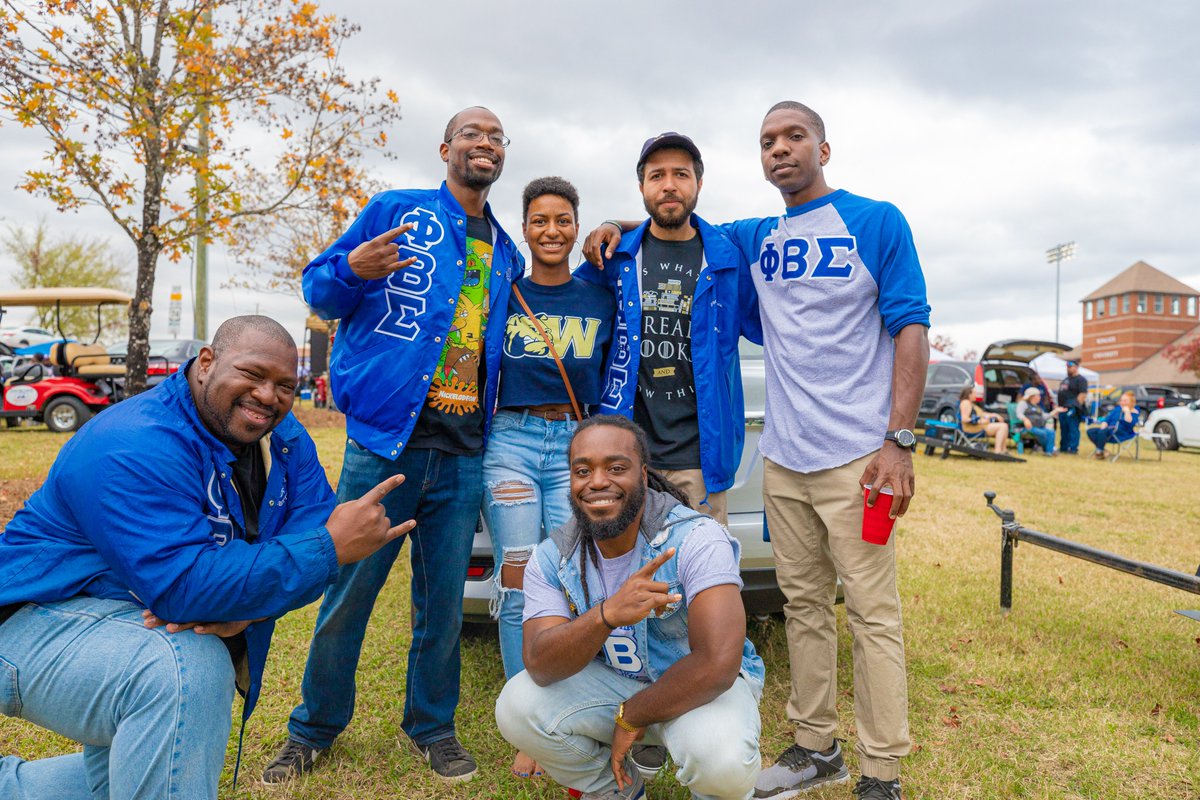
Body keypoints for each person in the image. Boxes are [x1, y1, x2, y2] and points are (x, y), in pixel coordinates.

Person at [586, 100, 929, 800]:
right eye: (768, 140)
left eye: (794, 136)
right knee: (802, 607)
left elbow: (912, 328)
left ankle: (881, 771)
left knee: (871, 612)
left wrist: (898, 441)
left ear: (823, 150)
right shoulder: (754, 236)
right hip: (783, 457)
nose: (780, 149)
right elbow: (673, 227)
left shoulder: (876, 221)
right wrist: (619, 226)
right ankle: (814, 747)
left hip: (858, 458)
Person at [0, 316, 413, 799]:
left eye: (285, 385)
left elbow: (311, 526)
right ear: (206, 362)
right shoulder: (132, 442)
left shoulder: (280, 435)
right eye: (252, 374)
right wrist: (327, 550)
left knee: (136, 773)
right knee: (183, 673)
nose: (267, 395)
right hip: (29, 619)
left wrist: (251, 605)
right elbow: (184, 588)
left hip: (126, 616)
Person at [266, 106, 525, 783]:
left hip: (464, 452)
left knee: (440, 605)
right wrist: (351, 266)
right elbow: (320, 291)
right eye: (473, 133)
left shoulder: (506, 250)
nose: (485, 144)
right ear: (446, 148)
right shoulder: (396, 211)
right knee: (348, 590)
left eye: (497, 137)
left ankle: (432, 725)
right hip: (385, 445)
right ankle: (312, 729)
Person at [495, 415, 764, 800]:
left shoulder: (696, 538)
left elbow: (719, 663)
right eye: (582, 470)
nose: (598, 481)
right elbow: (539, 662)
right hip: (614, 684)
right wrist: (606, 615)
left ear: (643, 474)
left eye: (616, 468)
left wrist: (632, 715)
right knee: (517, 705)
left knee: (722, 762)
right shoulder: (553, 556)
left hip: (697, 691)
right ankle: (616, 791)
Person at [483, 176, 616, 779]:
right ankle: (526, 715)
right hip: (510, 442)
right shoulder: (503, 293)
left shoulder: (600, 295)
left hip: (573, 446)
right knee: (517, 573)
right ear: (525, 227)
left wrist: (620, 230)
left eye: (563, 220)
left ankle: (571, 703)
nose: (552, 231)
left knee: (568, 579)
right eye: (539, 220)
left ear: (576, 224)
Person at [576, 132, 755, 526]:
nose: (669, 185)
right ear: (641, 186)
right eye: (657, 176)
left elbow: (775, 328)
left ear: (699, 184)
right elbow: (567, 317)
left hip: (699, 464)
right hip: (623, 459)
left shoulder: (728, 261)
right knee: (622, 579)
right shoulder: (613, 259)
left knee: (703, 578)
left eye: (681, 174)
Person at [1086, 389, 1140, 458]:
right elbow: (1108, 418)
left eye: (1125, 401)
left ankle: (1099, 452)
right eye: (1121, 400)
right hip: (1109, 430)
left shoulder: (1134, 411)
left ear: (1132, 402)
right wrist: (1105, 423)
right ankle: (1102, 450)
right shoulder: (1117, 409)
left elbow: (1129, 424)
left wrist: (1127, 412)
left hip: (1122, 433)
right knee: (1090, 431)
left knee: (1102, 432)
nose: (1122, 402)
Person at [959, 385, 1010, 454]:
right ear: (969, 394)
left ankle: (1003, 449)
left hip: (980, 426)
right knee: (1002, 426)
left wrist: (995, 415)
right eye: (974, 393)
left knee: (1004, 425)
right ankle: (997, 451)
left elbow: (983, 414)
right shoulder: (966, 403)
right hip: (972, 428)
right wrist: (980, 421)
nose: (976, 395)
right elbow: (964, 419)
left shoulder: (972, 404)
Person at [1015, 386, 1063, 456]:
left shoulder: (1038, 407)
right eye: (1038, 395)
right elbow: (1019, 414)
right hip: (1027, 428)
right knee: (1042, 433)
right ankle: (1049, 449)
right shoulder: (1023, 404)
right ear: (1032, 396)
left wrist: (1056, 411)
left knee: (1051, 432)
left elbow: (1044, 417)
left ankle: (1048, 452)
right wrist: (1025, 419)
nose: (1040, 397)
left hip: (1039, 427)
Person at [1056, 360, 1089, 454]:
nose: (1068, 368)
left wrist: (1075, 407)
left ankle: (1073, 448)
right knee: (1063, 429)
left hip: (1072, 409)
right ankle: (1064, 447)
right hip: (1062, 408)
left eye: (1070, 366)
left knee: (1073, 429)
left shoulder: (1081, 379)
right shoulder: (1066, 379)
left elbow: (1083, 394)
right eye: (1067, 366)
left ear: (1076, 367)